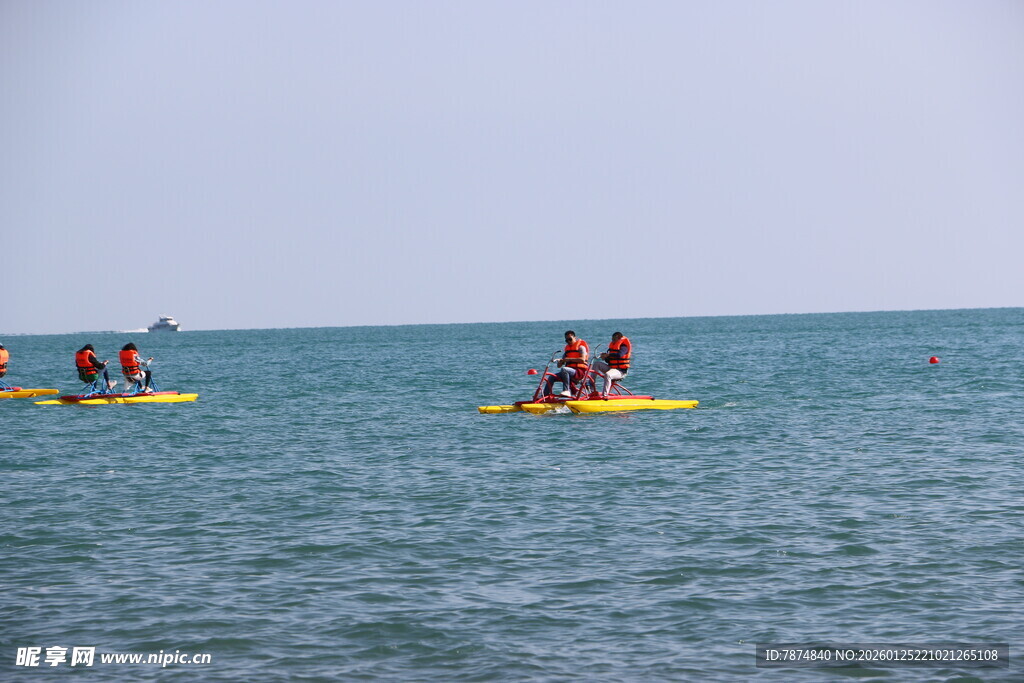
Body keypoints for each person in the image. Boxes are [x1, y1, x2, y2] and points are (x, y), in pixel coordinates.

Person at [542, 330, 591, 397]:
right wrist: (560, 362)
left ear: (575, 338)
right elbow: (559, 366)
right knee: (551, 377)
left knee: (564, 369)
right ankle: (545, 395)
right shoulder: (567, 350)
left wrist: (569, 359)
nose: (568, 342)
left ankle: (566, 390)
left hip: (579, 372)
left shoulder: (581, 347)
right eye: (567, 340)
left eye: (570, 339)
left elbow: (582, 360)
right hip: (568, 372)